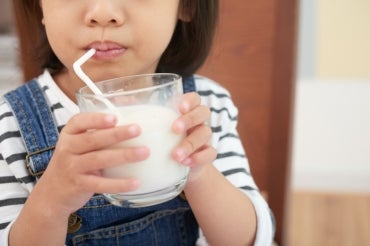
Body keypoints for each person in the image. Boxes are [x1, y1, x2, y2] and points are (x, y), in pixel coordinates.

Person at [0, 0, 275, 245]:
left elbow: (253, 239)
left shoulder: (205, 106)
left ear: (187, 6)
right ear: (39, 6)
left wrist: (199, 174)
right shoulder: (9, 123)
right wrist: (52, 202)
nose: (103, 13)